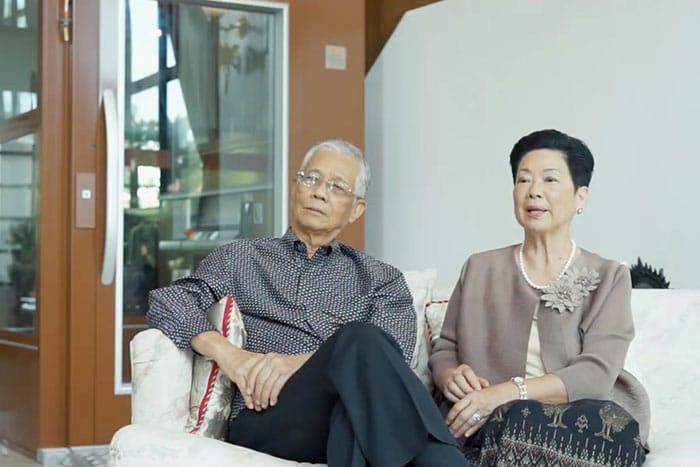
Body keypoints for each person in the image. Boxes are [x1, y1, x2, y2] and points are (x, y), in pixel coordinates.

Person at [147, 139, 469, 466]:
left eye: (337, 186)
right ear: (294, 188)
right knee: (359, 343)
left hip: (342, 412)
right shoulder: (241, 258)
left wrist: (294, 363)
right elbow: (168, 300)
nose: (319, 192)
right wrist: (233, 358)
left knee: (353, 403)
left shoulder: (380, 278)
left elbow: (391, 356)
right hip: (267, 415)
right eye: (311, 179)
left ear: (356, 209)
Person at [430, 129, 650, 466]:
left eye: (550, 180)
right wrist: (452, 377)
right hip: (490, 421)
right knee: (506, 422)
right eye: (523, 180)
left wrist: (503, 393)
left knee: (606, 431)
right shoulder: (480, 267)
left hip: (576, 419)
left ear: (581, 197)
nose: (534, 191)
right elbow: (446, 347)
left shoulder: (608, 275)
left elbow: (596, 372)